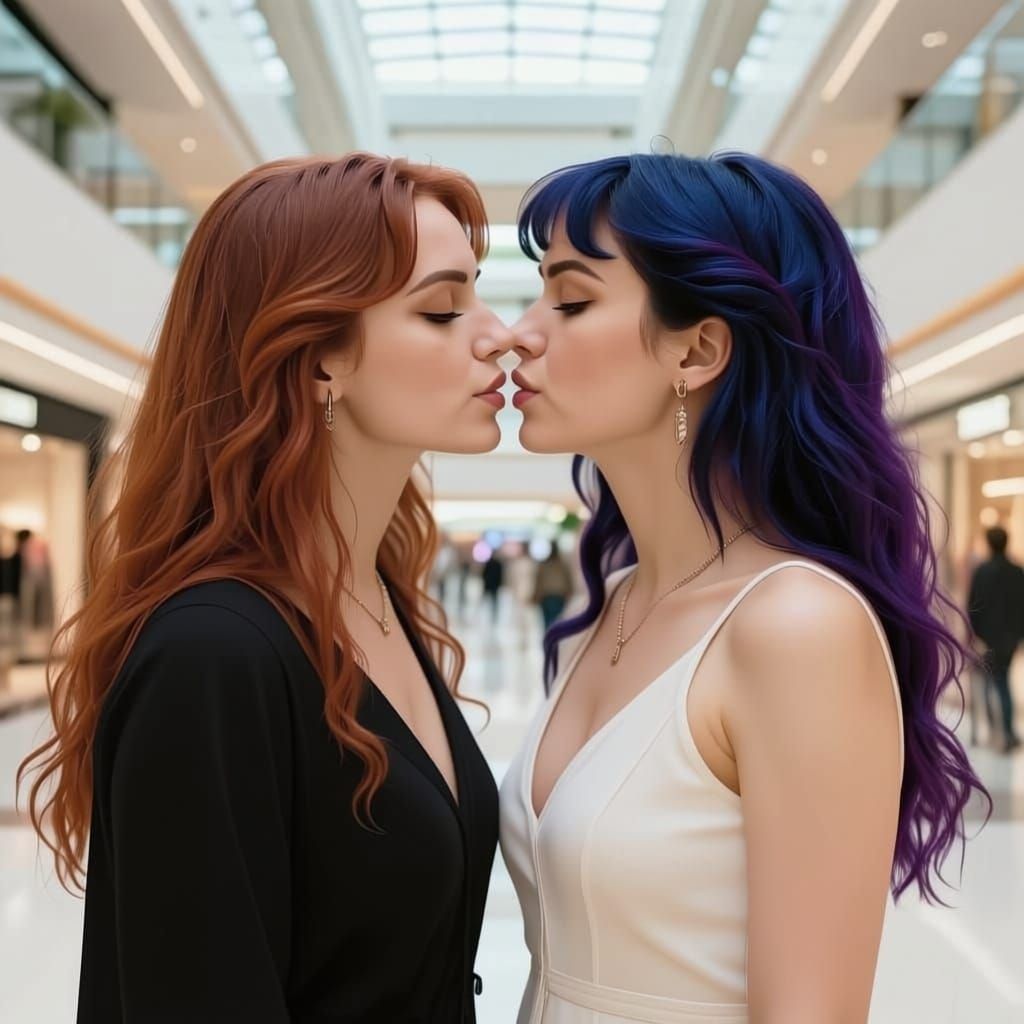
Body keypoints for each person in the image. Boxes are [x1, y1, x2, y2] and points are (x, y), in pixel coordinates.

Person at [17, 153, 516, 1023]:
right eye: (443, 309)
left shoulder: (376, 601)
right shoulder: (214, 653)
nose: (497, 333)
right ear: (321, 357)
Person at [499, 152, 988, 1024]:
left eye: (570, 301)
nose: (520, 333)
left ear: (698, 349)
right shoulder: (618, 599)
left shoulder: (795, 626)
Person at [967, 525, 1024, 753]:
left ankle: (999, 731)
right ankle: (1005, 731)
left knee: (994, 682)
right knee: (1001, 680)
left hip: (989, 638)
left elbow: (973, 606)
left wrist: (975, 633)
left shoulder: (982, 571)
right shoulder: (1017, 571)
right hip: (1010, 638)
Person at [532, 543, 574, 630]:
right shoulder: (562, 565)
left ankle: (550, 639)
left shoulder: (545, 565)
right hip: (555, 596)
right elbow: (568, 581)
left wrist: (536, 595)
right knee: (556, 620)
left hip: (550, 596)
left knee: (548, 621)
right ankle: (553, 639)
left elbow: (538, 582)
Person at [481, 549, 505, 623]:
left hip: (490, 584)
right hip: (493, 585)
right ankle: (491, 615)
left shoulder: (490, 563)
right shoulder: (496, 563)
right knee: (492, 601)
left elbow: (483, 574)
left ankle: (490, 615)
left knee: (491, 600)